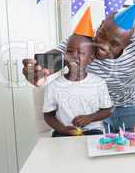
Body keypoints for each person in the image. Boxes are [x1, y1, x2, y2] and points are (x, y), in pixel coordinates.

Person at [23, 3, 135, 133]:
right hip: (96, 110)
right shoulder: (84, 39)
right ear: (101, 25)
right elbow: (58, 56)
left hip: (132, 105)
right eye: (102, 35)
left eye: (114, 44)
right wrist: (39, 69)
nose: (103, 46)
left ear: (128, 43)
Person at [43, 8, 112, 137]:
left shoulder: (98, 83)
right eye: (70, 51)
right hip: (63, 131)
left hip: (92, 130)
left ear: (90, 59)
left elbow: (107, 111)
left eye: (81, 53)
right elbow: (48, 115)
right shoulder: (53, 86)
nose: (74, 56)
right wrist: (62, 129)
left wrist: (90, 118)